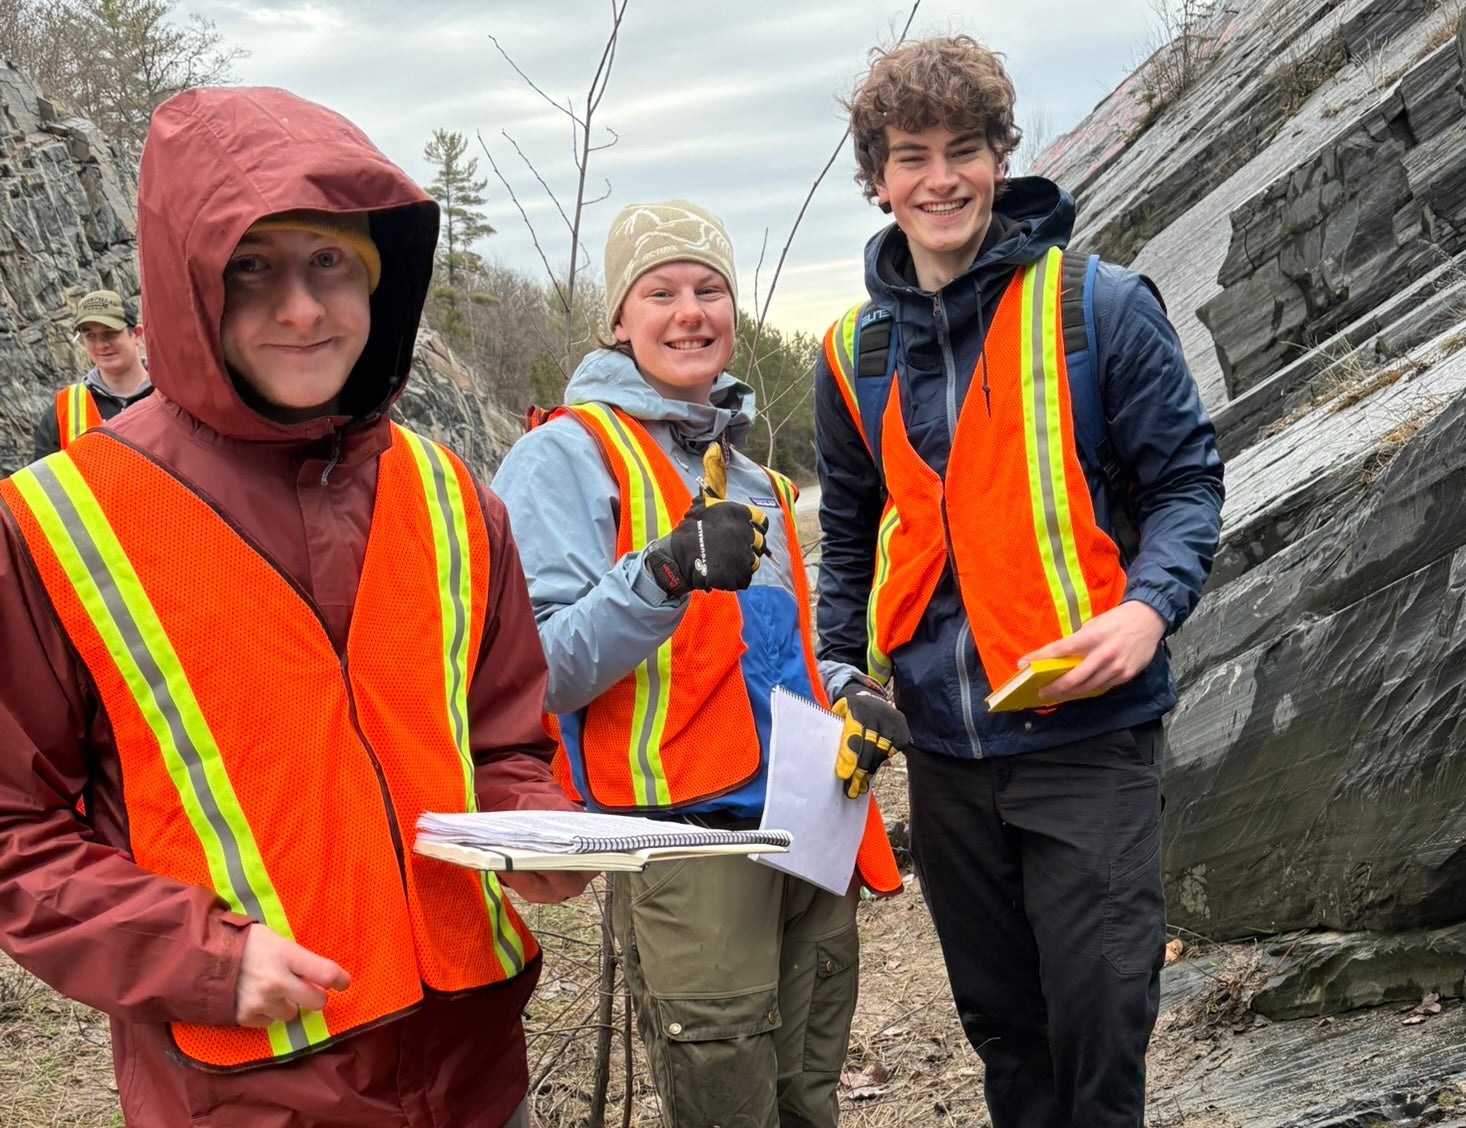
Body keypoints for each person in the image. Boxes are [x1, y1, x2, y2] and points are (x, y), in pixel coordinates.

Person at [0, 85, 590, 1128]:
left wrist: (535, 829)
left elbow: (503, 745)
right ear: (188, 291)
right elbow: (16, 830)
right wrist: (200, 958)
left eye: (329, 263)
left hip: (476, 1070)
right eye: (252, 269)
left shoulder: (454, 497)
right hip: (246, 1090)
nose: (303, 309)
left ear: (379, 277)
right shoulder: (55, 520)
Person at [813, 35, 1226, 1128]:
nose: (938, 178)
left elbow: (1186, 484)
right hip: (944, 754)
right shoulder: (850, 350)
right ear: (877, 177)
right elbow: (851, 532)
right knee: (1007, 1034)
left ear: (1003, 155)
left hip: (1090, 737)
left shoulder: (1101, 304)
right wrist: (835, 663)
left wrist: (1148, 610)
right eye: (910, 156)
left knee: (1100, 1020)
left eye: (963, 149)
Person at [494, 199, 902, 1128]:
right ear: (617, 317)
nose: (690, 311)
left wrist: (848, 695)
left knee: (808, 1094)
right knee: (729, 1106)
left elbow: (775, 659)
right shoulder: (565, 456)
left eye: (709, 288)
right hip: (684, 839)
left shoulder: (751, 477)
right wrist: (666, 572)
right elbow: (536, 672)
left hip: (807, 820)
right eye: (660, 290)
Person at [33, 289, 153, 458]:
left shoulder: (169, 394)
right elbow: (42, 479)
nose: (101, 344)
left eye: (110, 333)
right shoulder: (65, 408)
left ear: (137, 334)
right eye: (90, 336)